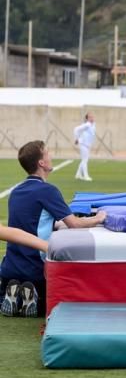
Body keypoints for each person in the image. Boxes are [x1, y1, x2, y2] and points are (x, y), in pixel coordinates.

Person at [0, 140, 106, 318]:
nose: (51, 156)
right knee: (54, 304)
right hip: (35, 267)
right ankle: (33, 296)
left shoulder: (16, 192)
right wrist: (99, 218)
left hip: (9, 267)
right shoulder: (48, 191)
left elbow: (30, 224)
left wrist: (59, 224)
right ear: (41, 163)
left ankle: (14, 293)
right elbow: (74, 224)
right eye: (48, 153)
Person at [74, 112, 96, 181]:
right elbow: (76, 129)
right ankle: (86, 176)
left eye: (92, 117)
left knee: (84, 160)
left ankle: (78, 174)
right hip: (83, 144)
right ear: (87, 119)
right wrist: (76, 138)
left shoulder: (93, 125)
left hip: (87, 145)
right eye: (90, 117)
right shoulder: (87, 125)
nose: (92, 118)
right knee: (85, 160)